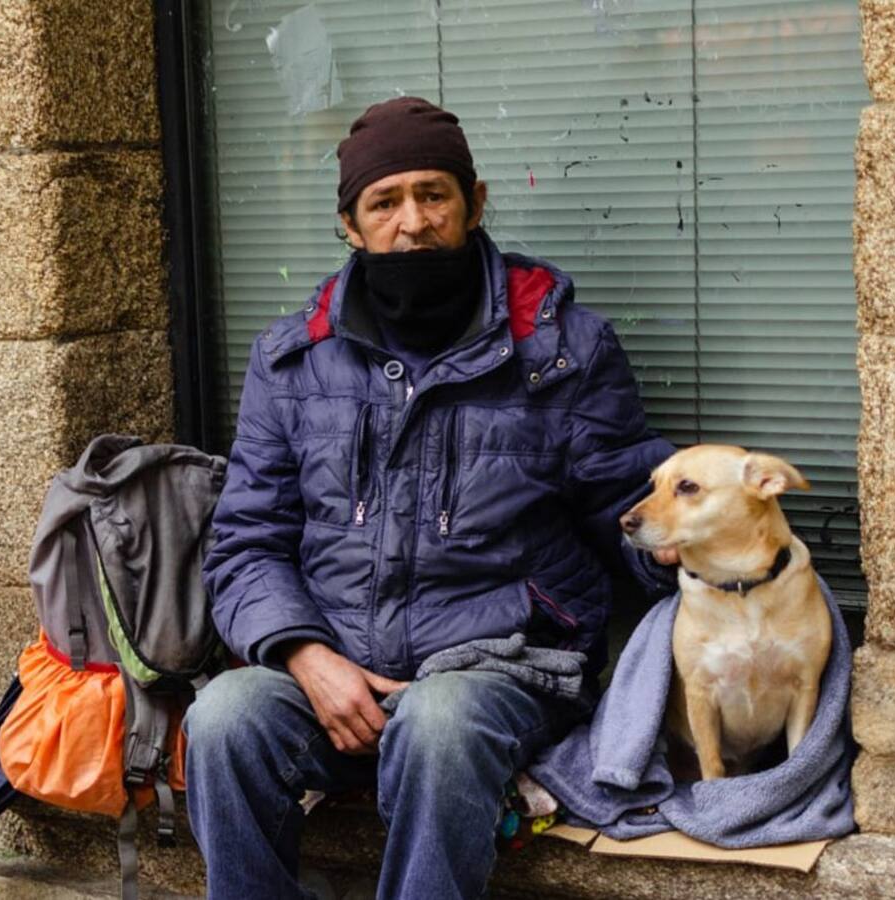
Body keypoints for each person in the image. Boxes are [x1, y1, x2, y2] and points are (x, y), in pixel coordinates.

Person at [185, 96, 678, 900]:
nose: (412, 223)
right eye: (384, 202)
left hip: (505, 666)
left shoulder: (562, 349)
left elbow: (626, 505)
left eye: (433, 195)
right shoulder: (292, 361)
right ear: (350, 225)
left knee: (439, 724)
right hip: (335, 667)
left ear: (474, 203)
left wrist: (692, 546)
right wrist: (306, 656)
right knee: (225, 718)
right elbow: (246, 543)